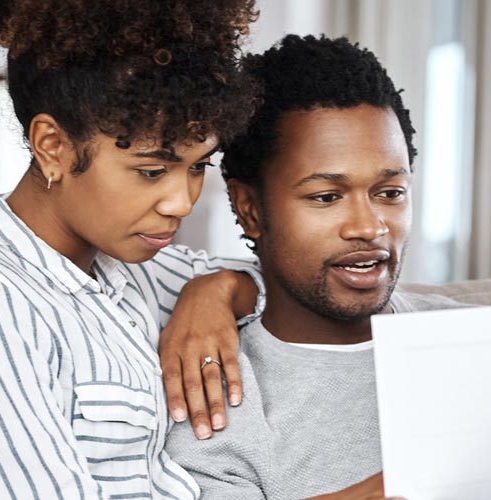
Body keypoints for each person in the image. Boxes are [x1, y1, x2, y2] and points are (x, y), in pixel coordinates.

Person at [0, 1, 266, 498]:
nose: (181, 202)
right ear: (53, 146)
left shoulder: (134, 269)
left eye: (197, 167)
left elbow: (275, 284)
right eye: (152, 171)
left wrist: (216, 292)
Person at [165, 35, 465, 499]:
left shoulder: (476, 337)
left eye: (390, 193)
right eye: (326, 197)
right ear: (249, 209)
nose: (368, 227)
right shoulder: (216, 401)